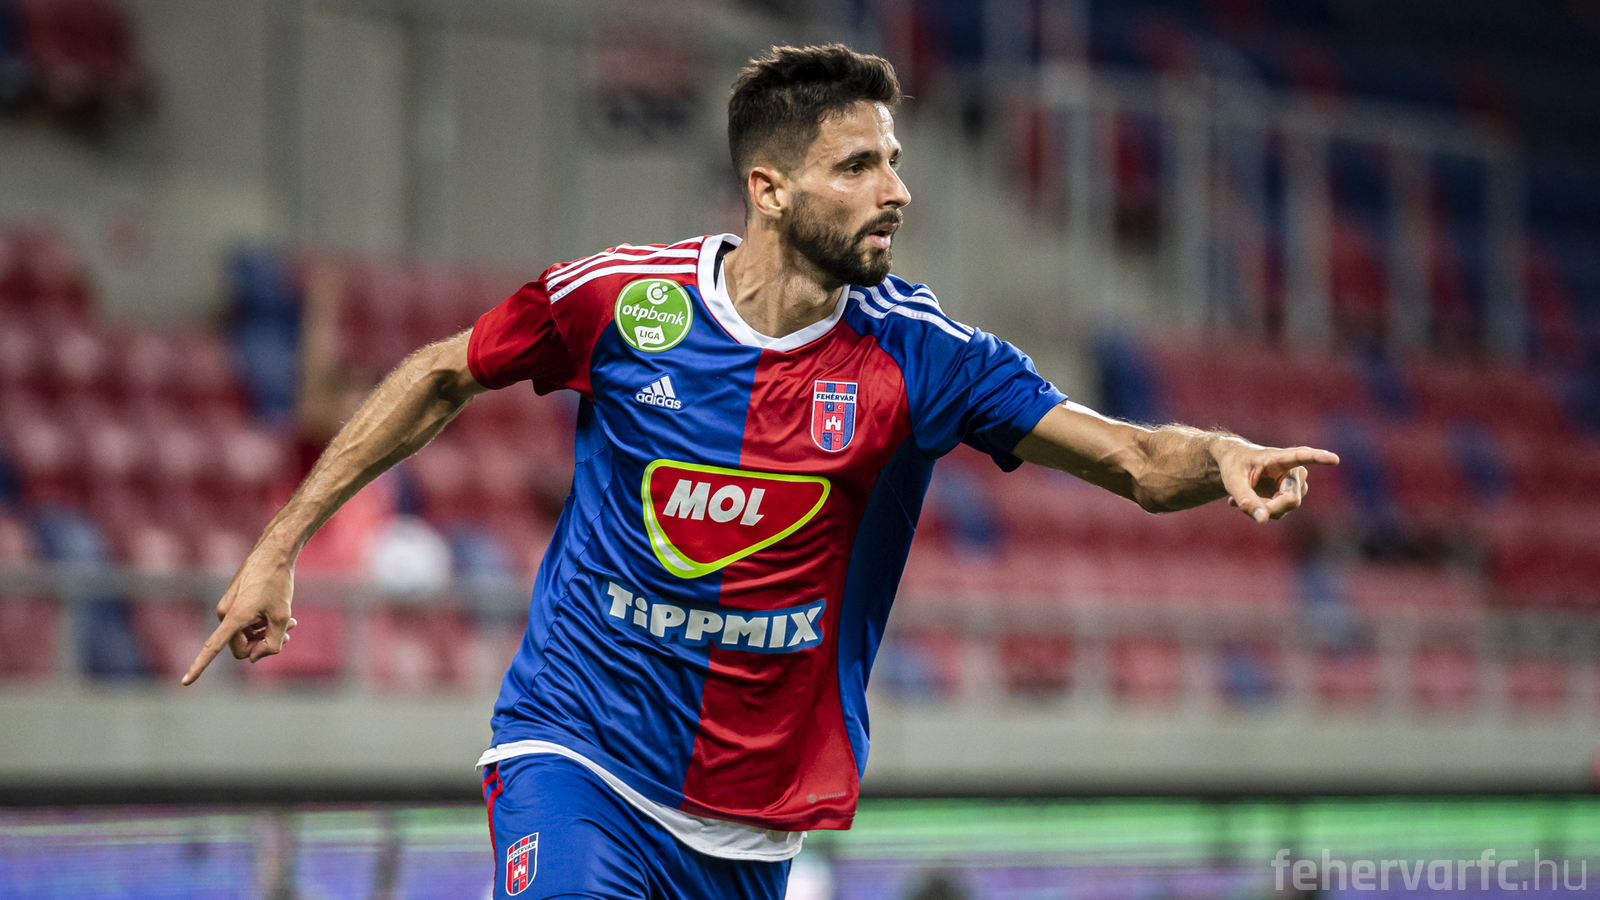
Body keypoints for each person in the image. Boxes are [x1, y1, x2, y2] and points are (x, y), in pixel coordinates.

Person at [182, 44, 1338, 899]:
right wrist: (280, 546)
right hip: (576, 751)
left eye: (894, 162)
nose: (896, 190)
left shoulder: (925, 358)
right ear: (769, 189)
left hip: (751, 825)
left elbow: (1134, 462)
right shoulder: (623, 302)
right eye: (859, 165)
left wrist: (1219, 456)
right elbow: (443, 371)